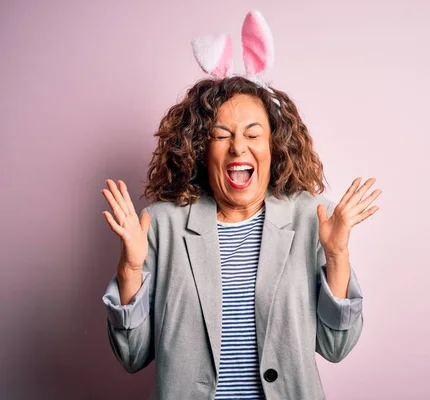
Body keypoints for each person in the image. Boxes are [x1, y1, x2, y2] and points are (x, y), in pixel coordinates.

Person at [101, 10, 381, 400]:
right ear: (201, 150)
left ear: (274, 146)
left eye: (253, 133)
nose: (238, 147)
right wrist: (130, 267)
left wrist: (336, 255)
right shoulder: (158, 225)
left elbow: (337, 347)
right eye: (221, 135)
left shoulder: (313, 217)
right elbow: (132, 356)